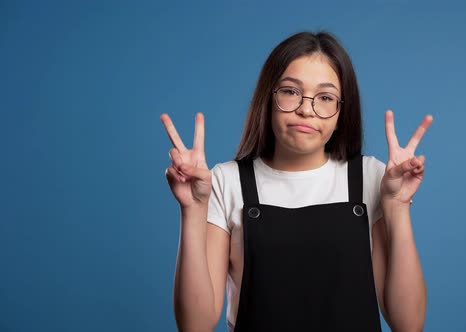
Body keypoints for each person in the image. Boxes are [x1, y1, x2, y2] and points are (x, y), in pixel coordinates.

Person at [160, 31, 433, 332]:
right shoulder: (226, 181)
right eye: (291, 91)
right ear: (269, 96)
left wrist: (398, 204)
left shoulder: (371, 178)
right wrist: (193, 210)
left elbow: (409, 324)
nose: (306, 109)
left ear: (342, 112)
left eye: (325, 97)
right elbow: (194, 325)